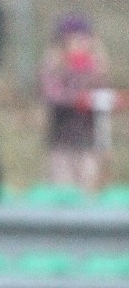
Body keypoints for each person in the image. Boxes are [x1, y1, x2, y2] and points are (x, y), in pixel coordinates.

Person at [39, 12, 110, 191]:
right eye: (75, 40)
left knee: (88, 186)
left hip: (89, 142)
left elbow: (103, 99)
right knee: (63, 188)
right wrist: (77, 96)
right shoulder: (53, 67)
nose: (80, 45)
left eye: (85, 39)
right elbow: (52, 96)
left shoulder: (96, 67)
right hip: (62, 142)